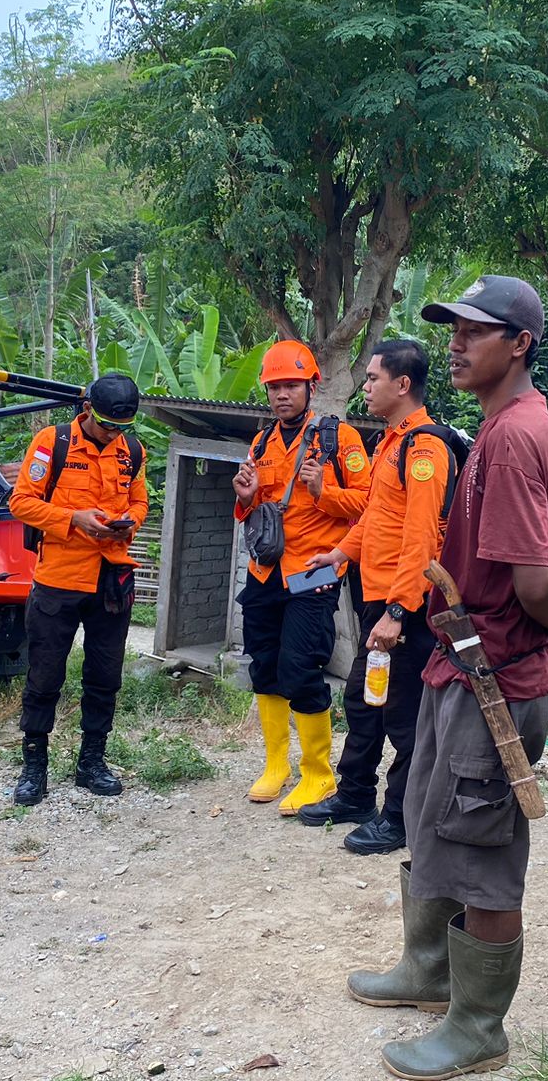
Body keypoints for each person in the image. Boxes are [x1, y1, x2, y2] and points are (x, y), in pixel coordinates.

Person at [347, 276, 548, 1080]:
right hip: (464, 665)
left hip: (498, 676)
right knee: (433, 813)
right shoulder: (502, 426)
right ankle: (429, 971)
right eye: (452, 328)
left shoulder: (515, 437)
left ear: (519, 343)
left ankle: (479, 1027)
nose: (455, 343)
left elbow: (530, 579)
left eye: (475, 330)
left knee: (482, 850)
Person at [302, 339, 452, 855]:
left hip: (403, 607)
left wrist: (398, 611)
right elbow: (375, 518)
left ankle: (400, 818)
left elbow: (421, 537)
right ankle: (355, 796)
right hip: (377, 598)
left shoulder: (425, 448)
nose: (364, 387)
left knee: (404, 717)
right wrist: (339, 553)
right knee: (364, 702)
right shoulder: (390, 442)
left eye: (372, 378)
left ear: (402, 384)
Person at [232, 340, 370, 814]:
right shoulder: (261, 442)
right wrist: (245, 496)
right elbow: (256, 510)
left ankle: (318, 774)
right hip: (264, 572)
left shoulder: (339, 439)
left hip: (313, 573)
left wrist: (322, 490)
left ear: (312, 386)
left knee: (300, 669)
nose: (281, 395)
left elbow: (369, 504)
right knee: (264, 666)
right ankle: (277, 766)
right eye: (274, 387)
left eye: (291, 385)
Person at [9, 373, 149, 804]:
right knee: (44, 675)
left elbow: (140, 501)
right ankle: (34, 765)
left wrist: (129, 523)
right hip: (59, 579)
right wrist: (73, 519)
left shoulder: (132, 451)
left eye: (122, 427)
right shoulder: (53, 443)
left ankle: (92, 761)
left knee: (105, 675)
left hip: (112, 578)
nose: (113, 434)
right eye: (107, 425)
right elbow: (21, 502)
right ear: (88, 409)